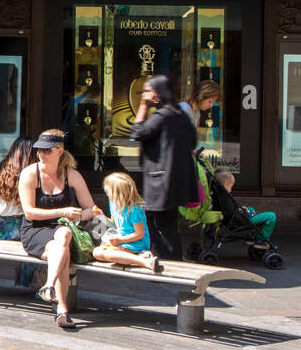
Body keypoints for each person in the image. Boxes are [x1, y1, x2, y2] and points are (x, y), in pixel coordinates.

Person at [17, 129, 100, 330]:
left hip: (62, 232)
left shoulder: (72, 175)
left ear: (59, 151)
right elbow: (29, 213)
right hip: (35, 230)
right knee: (64, 242)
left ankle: (50, 289)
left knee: (62, 240)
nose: (41, 155)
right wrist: (62, 211)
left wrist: (78, 215)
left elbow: (93, 209)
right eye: (39, 151)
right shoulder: (30, 174)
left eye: (46, 151)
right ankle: (61, 307)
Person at [130, 75, 197, 263]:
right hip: (176, 181)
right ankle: (163, 258)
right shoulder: (180, 115)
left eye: (146, 91)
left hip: (161, 182)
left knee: (163, 225)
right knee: (162, 222)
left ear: (156, 94)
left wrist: (143, 107)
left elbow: (137, 133)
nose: (144, 95)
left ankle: (169, 263)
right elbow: (193, 141)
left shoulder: (162, 116)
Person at [0, 137, 36, 289]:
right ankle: (28, 281)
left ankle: (24, 279)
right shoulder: (32, 175)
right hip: (23, 226)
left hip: (2, 229)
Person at [92, 172, 162, 272]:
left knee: (106, 252)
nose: (105, 192)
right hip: (122, 243)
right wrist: (101, 216)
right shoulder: (114, 204)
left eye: (106, 189)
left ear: (116, 192)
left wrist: (120, 240)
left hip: (136, 244)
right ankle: (140, 258)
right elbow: (113, 224)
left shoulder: (134, 210)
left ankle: (144, 262)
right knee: (97, 252)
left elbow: (139, 234)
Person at [213, 168, 277, 244]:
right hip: (240, 221)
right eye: (231, 186)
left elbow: (229, 209)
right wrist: (243, 211)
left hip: (232, 219)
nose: (231, 190)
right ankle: (261, 239)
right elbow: (232, 212)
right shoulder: (225, 196)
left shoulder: (218, 195)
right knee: (271, 216)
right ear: (225, 184)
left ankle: (251, 234)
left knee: (251, 209)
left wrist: (240, 209)